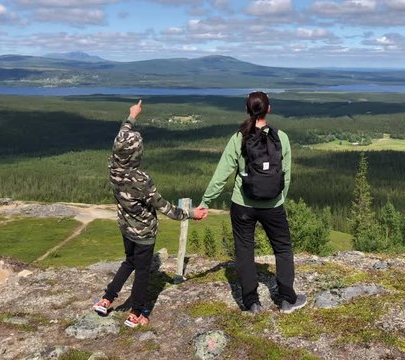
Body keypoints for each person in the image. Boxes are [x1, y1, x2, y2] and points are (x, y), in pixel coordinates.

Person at [93, 100, 206, 327]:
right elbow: (165, 208)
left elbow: (122, 134)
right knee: (143, 272)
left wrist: (132, 115)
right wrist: (191, 214)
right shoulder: (141, 180)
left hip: (125, 227)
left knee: (129, 262)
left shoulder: (113, 168)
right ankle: (136, 313)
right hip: (144, 233)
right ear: (137, 153)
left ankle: (106, 299)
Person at [197, 91, 307, 314]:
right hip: (273, 205)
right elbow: (286, 174)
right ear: (269, 109)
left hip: (242, 204)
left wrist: (205, 201)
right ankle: (287, 299)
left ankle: (252, 303)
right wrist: (279, 199)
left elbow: (222, 174)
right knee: (283, 248)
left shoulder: (239, 138)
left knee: (245, 250)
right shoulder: (281, 138)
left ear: (247, 110)